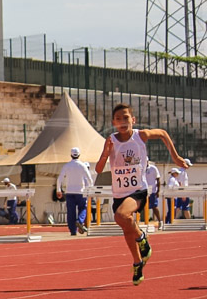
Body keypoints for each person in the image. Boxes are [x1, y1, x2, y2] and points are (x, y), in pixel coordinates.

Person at [95, 103, 186, 286]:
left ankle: (142, 238)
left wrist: (175, 157)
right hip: (119, 193)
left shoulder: (140, 136)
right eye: (118, 119)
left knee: (122, 216)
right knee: (127, 227)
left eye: (126, 118)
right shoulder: (111, 140)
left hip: (138, 191)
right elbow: (98, 169)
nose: (122, 122)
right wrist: (105, 153)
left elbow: (162, 133)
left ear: (133, 120)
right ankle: (137, 262)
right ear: (113, 122)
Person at [56, 147, 95, 236]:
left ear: (71, 155)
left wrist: (58, 190)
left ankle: (73, 231)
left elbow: (60, 178)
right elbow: (90, 179)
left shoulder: (66, 166)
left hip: (69, 192)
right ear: (79, 155)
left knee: (71, 212)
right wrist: (91, 191)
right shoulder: (83, 166)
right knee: (83, 208)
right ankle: (80, 221)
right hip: (80, 192)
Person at [142, 160, 160, 227]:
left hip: (152, 191)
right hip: (144, 190)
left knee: (154, 206)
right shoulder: (141, 168)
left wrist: (158, 191)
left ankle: (159, 221)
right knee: (144, 207)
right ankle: (146, 221)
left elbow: (158, 179)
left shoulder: (153, 168)